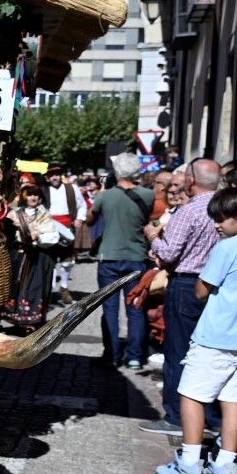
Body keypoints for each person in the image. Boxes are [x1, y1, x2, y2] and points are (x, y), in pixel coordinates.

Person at [155, 188, 237, 474]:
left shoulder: (228, 247)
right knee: (231, 399)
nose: (216, 226)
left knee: (192, 393)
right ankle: (225, 464)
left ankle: (191, 463)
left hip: (217, 332)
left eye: (220, 220)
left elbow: (202, 289)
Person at [141, 159, 222, 434]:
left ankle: (176, 416)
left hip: (186, 283)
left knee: (178, 351)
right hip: (215, 285)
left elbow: (168, 252)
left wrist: (153, 235)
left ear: (191, 180)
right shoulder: (226, 208)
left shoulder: (189, 211)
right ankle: (208, 415)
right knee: (206, 351)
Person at [88, 152, 155, 369]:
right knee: (136, 308)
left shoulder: (105, 196)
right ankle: (135, 356)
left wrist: (102, 192)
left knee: (110, 308)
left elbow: (91, 219)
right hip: (137, 256)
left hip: (109, 256)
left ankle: (112, 355)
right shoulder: (147, 194)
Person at [2, 183, 59, 328]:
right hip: (19, 256)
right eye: (30, 194)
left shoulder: (45, 214)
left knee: (35, 287)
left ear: (40, 198)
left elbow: (53, 236)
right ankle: (17, 318)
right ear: (24, 196)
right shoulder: (15, 213)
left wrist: (38, 236)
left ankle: (33, 321)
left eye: (36, 195)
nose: (33, 197)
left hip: (37, 257)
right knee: (17, 285)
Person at [43, 165, 84, 302]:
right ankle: (49, 290)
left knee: (67, 260)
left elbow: (82, 205)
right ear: (47, 177)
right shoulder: (43, 190)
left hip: (67, 227)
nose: (54, 177)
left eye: (57, 174)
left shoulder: (72, 188)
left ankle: (64, 288)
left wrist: (79, 218)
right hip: (49, 227)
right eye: (52, 175)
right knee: (50, 260)